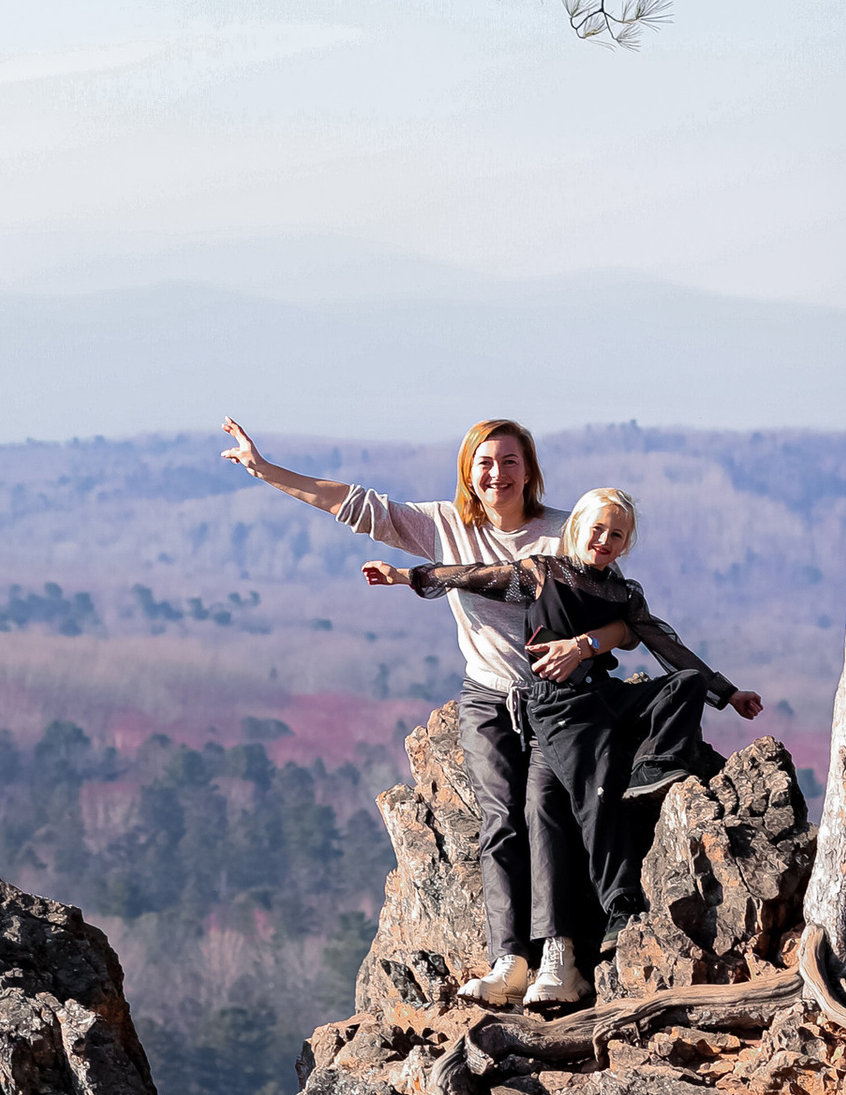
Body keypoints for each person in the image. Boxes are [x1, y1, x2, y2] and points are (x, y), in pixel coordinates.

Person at [364, 487, 764, 1010]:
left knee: (683, 683)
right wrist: (405, 576)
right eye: (596, 529)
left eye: (616, 535)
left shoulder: (624, 593)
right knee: (583, 800)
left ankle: (655, 767)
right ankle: (606, 914)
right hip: (559, 709)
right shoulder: (541, 572)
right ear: (576, 528)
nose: (604, 540)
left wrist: (727, 692)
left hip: (604, 696)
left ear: (625, 545)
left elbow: (666, 644)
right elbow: (470, 575)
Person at [222, 411, 567, 1005]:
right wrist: (264, 469)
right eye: (485, 463)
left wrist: (584, 645)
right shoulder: (445, 525)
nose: (498, 473)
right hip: (487, 694)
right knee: (500, 822)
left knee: (547, 814)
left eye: (510, 461)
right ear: (468, 472)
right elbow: (356, 505)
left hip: (558, 699)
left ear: (530, 470)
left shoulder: (564, 531)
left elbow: (625, 610)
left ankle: (559, 954)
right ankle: (510, 958)